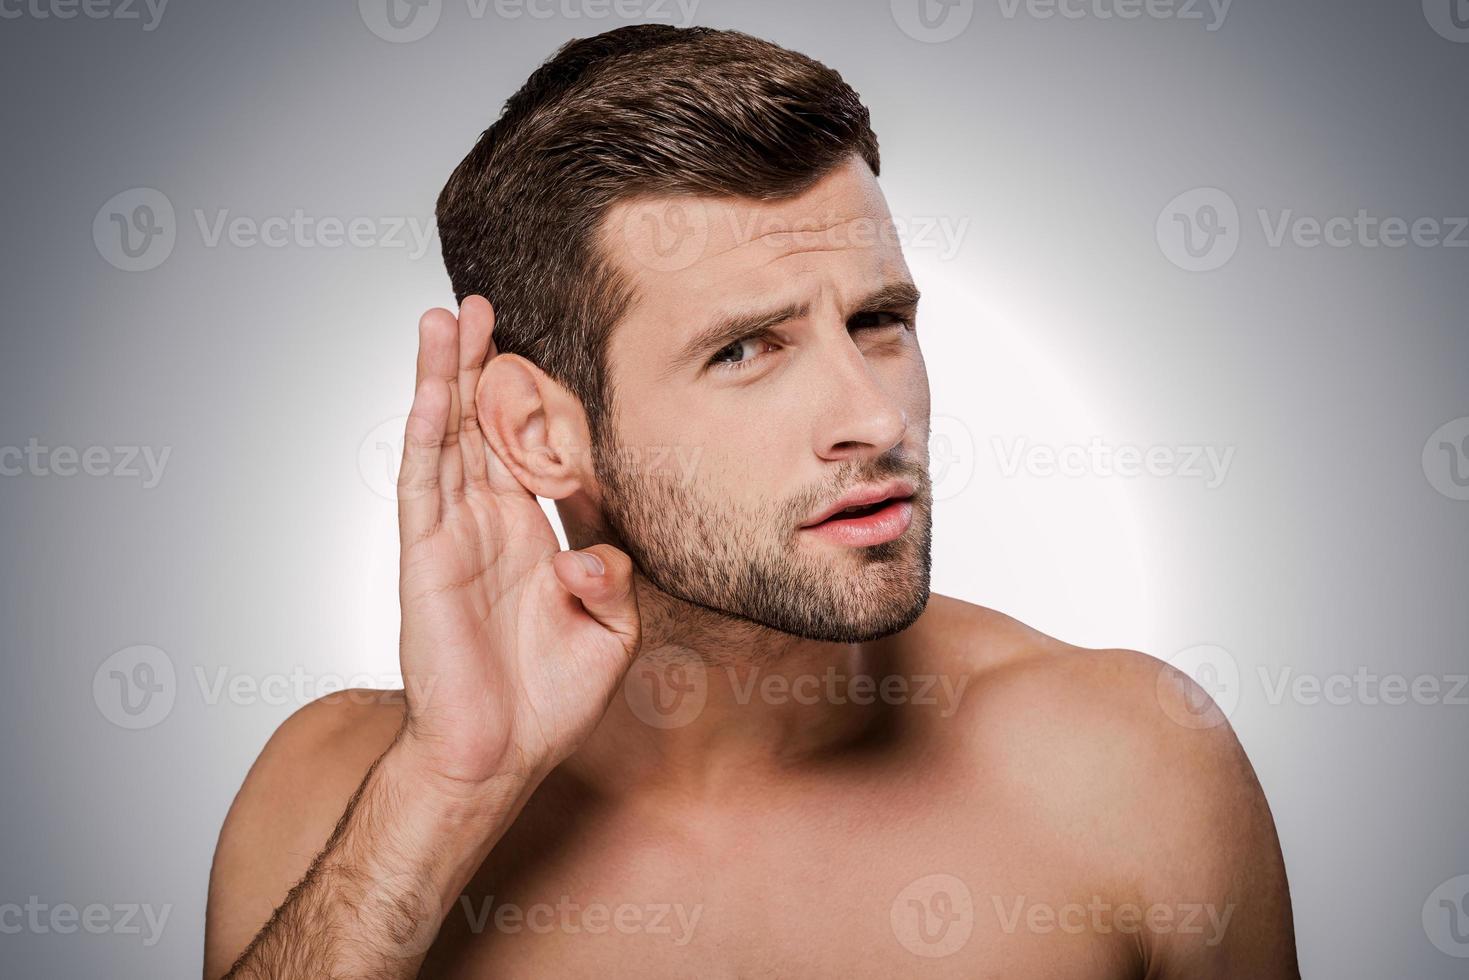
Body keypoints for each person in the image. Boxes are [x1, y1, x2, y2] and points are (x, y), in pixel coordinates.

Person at [204, 24, 1298, 978]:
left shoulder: (1135, 765)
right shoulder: (340, 801)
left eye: (878, 320)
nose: (872, 415)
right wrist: (446, 793)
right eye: (743, 348)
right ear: (541, 432)